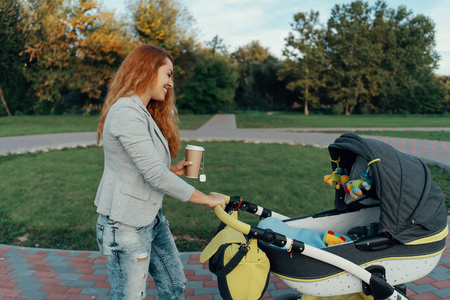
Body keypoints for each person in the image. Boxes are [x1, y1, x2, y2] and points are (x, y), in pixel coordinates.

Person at [94, 44, 226, 300]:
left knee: (175, 286)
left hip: (150, 219)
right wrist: (208, 199)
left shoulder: (141, 112)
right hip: (126, 226)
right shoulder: (125, 112)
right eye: (168, 74)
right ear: (147, 70)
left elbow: (144, 169)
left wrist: (171, 170)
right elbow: (154, 175)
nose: (171, 83)